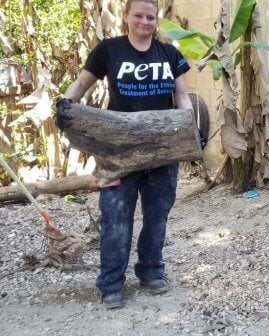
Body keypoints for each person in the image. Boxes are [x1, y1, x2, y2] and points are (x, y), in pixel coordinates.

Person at [55, 0, 193, 309]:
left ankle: (151, 272)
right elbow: (81, 83)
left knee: (157, 217)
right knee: (116, 218)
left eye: (150, 17)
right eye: (139, 16)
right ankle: (111, 284)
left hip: (162, 150)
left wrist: (189, 127)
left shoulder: (169, 54)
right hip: (117, 152)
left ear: (157, 21)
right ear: (127, 17)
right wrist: (63, 103)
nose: (145, 21)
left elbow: (182, 96)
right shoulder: (108, 50)